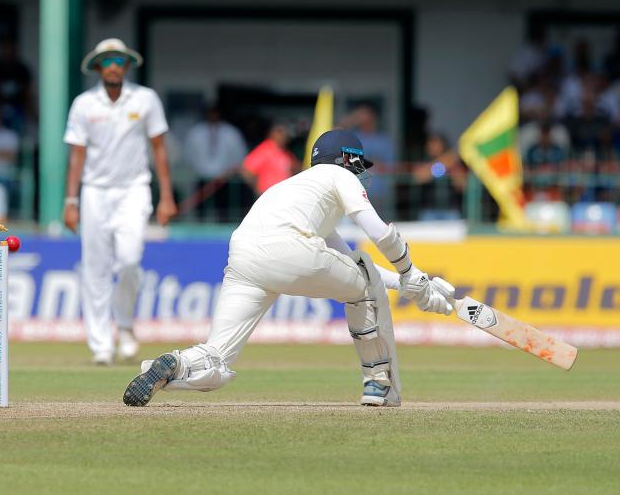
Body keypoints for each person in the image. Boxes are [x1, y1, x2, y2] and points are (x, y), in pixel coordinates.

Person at [123, 129, 454, 408]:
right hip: (289, 249)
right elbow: (379, 232)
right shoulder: (339, 175)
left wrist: (412, 283)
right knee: (365, 283)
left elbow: (349, 264)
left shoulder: (297, 192)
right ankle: (379, 383)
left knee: (217, 357)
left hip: (243, 257)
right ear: (348, 159)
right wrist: (411, 273)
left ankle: (175, 363)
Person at [63, 38, 177, 365]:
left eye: (119, 60)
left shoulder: (145, 99)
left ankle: (125, 325)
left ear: (127, 66)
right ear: (98, 66)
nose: (113, 65)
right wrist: (71, 200)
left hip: (134, 188)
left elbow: (159, 149)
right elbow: (77, 156)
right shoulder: (84, 104)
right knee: (95, 267)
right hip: (94, 191)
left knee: (129, 260)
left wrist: (166, 196)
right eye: (107, 60)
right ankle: (100, 344)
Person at [183, 105, 249, 220]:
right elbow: (189, 154)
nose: (213, 116)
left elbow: (239, 155)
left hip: (223, 179)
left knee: (223, 212)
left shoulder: (231, 133)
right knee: (200, 211)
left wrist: (229, 172)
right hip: (202, 177)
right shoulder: (196, 132)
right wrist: (197, 170)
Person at [241, 123, 298, 195]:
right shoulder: (264, 149)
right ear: (271, 134)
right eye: (279, 132)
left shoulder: (286, 152)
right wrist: (256, 187)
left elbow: (295, 168)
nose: (283, 135)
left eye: (285, 133)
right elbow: (246, 170)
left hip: (284, 193)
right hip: (268, 193)